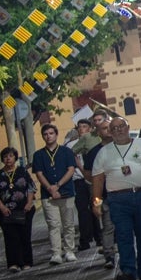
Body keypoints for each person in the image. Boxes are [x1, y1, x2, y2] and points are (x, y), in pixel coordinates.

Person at [91, 118, 141, 280]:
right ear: (110, 131)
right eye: (114, 128)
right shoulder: (104, 152)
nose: (118, 130)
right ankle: (128, 271)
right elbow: (98, 180)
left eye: (121, 126)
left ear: (128, 127)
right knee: (123, 236)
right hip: (117, 200)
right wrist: (96, 202)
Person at [31, 123, 80, 265]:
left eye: (51, 133)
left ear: (56, 134)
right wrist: (51, 188)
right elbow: (39, 174)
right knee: (53, 224)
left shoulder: (66, 152)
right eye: (45, 134)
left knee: (68, 224)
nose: (48, 136)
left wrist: (58, 185)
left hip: (67, 192)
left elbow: (71, 170)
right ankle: (56, 253)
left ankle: (69, 251)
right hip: (48, 195)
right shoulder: (38, 155)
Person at [82, 110, 118, 269]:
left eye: (110, 127)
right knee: (108, 226)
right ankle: (109, 255)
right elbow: (90, 177)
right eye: (104, 128)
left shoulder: (122, 146)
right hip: (105, 195)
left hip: (123, 193)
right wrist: (96, 202)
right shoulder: (93, 153)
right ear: (98, 132)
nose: (108, 131)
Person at [0, 147, 36, 272]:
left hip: (24, 210)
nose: (8, 159)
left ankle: (27, 262)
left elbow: (31, 188)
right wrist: (2, 207)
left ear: (15, 157)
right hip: (6, 212)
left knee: (25, 236)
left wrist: (29, 203)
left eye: (10, 156)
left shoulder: (22, 171)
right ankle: (13, 263)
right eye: (5, 157)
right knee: (11, 237)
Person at [70, 118, 99, 252]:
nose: (82, 129)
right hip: (79, 180)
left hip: (93, 180)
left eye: (85, 126)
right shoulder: (71, 145)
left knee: (96, 205)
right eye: (79, 127)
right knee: (82, 209)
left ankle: (99, 236)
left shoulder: (94, 141)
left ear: (90, 128)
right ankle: (85, 239)